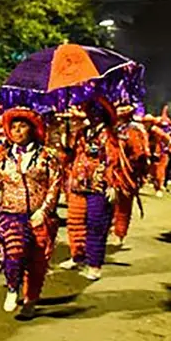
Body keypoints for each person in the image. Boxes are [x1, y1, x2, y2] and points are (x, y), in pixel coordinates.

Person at [0, 108, 62, 317]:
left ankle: (31, 300)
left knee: (38, 262)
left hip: (39, 215)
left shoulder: (47, 156)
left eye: (22, 126)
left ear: (32, 129)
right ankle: (12, 287)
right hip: (11, 213)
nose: (17, 131)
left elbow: (55, 185)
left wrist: (44, 211)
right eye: (13, 127)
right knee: (14, 250)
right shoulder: (3, 157)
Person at [60, 98, 135, 281]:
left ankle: (94, 264)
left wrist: (113, 185)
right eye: (90, 109)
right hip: (79, 183)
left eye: (96, 110)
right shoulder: (83, 132)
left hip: (99, 186)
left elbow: (114, 161)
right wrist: (65, 133)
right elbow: (70, 152)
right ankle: (77, 256)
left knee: (96, 226)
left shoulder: (110, 135)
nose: (92, 113)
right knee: (75, 222)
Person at [112, 104, 149, 248]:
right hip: (109, 171)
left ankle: (120, 233)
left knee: (123, 204)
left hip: (125, 173)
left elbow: (140, 154)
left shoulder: (134, 130)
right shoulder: (112, 128)